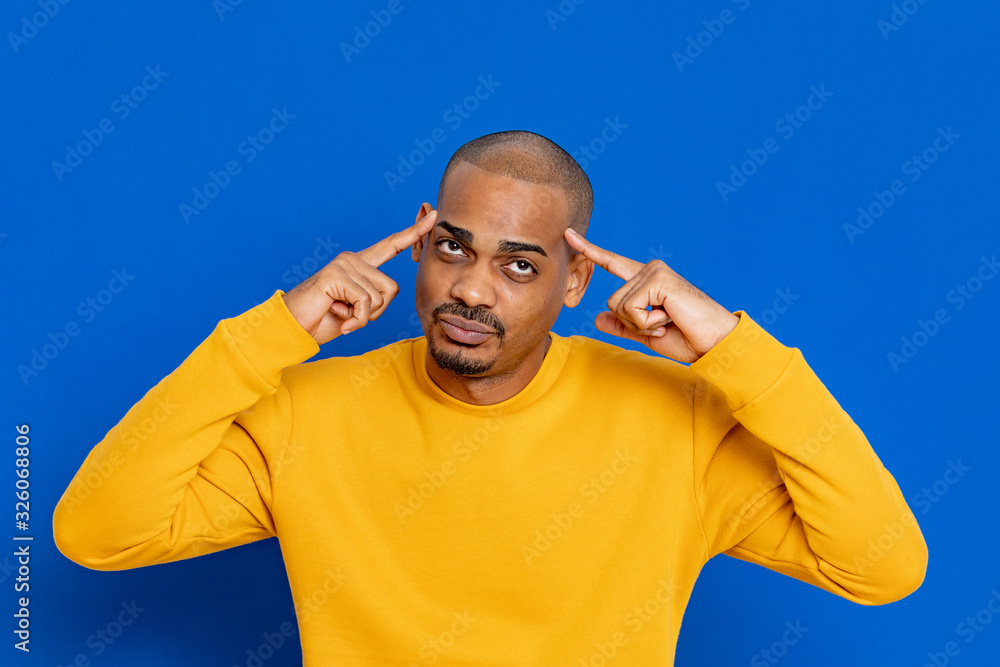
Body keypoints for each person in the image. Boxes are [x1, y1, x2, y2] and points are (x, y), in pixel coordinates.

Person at [53, 130, 928, 665]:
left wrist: (737, 353)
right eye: (453, 249)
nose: (472, 289)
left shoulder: (678, 419)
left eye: (518, 265)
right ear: (420, 243)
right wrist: (269, 334)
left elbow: (883, 565)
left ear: (575, 281)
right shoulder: (304, 411)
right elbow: (95, 531)